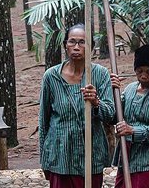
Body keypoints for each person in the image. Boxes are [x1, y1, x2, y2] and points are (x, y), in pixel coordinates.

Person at [38, 23, 115, 188]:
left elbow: (110, 114)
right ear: (65, 45)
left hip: (90, 155)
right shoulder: (51, 77)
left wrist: (96, 103)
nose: (77, 47)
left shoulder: (100, 75)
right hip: (60, 156)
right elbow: (44, 121)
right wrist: (44, 159)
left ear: (91, 48)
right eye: (72, 41)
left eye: (82, 42)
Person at [110, 44, 149, 188]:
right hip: (127, 154)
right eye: (140, 71)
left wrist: (132, 131)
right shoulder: (130, 89)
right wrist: (110, 92)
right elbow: (114, 114)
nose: (144, 75)